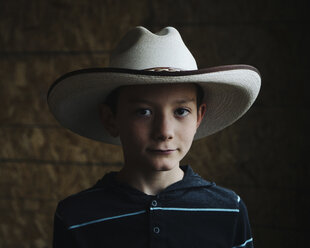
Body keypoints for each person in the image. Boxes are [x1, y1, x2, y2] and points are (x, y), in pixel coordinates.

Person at [48, 26, 261, 248]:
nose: (164, 131)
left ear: (199, 117)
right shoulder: (76, 217)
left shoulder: (228, 210)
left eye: (181, 111)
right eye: (143, 112)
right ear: (111, 119)